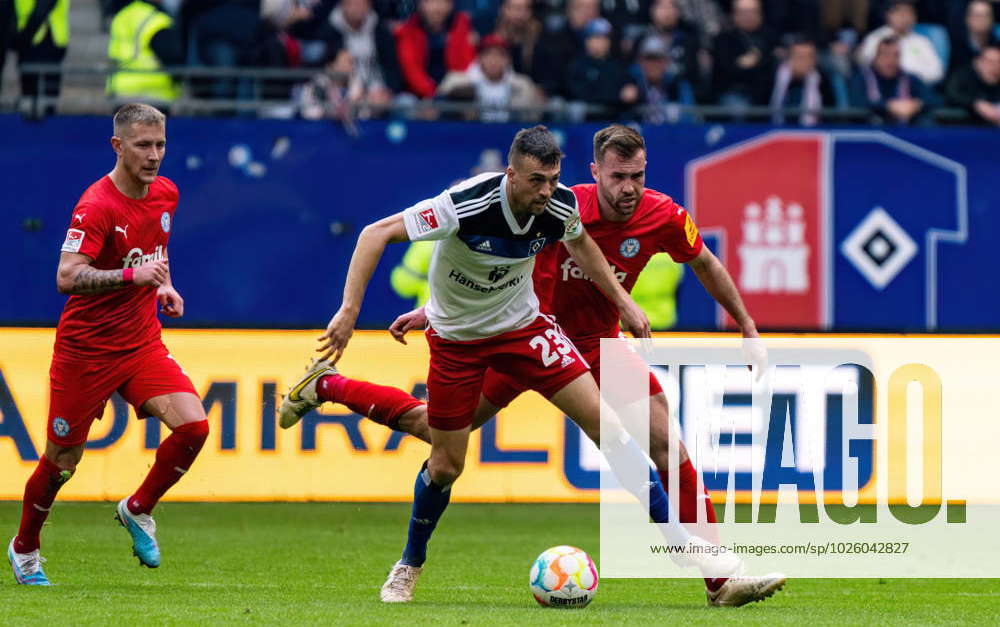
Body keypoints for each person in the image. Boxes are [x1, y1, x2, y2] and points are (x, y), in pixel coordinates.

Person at [279, 125, 785, 607]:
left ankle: (715, 571)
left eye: (638, 176)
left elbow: (600, 250)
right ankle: (332, 390)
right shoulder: (484, 203)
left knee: (638, 435)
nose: (628, 188)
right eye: (617, 177)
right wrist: (364, 311)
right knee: (442, 452)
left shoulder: (634, 213)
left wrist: (650, 310)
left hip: (550, 336)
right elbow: (386, 237)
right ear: (592, 172)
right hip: (472, 339)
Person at [6, 103, 210, 586]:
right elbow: (66, 276)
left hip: (140, 342)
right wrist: (131, 275)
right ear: (117, 146)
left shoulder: (166, 194)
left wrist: (162, 284)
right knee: (62, 463)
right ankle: (25, 548)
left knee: (195, 427)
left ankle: (137, 508)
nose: (155, 155)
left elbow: (155, 254)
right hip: (87, 351)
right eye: (143, 145)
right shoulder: (97, 205)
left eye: (161, 144)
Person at [437, 34, 542, 122]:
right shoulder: (455, 81)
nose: (494, 60)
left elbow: (533, 119)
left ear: (508, 59)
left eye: (500, 55)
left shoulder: (523, 85)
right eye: (488, 54)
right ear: (479, 57)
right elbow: (436, 110)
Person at [106, 0, 184, 105]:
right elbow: (171, 57)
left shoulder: (124, 13)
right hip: (151, 94)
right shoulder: (155, 19)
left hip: (120, 91)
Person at [395, 0, 476, 100]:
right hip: (418, 94)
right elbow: (411, 70)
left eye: (442, 2)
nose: (437, 8)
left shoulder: (461, 25)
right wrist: (432, 96)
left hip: (452, 90)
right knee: (404, 101)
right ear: (420, 5)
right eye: (431, 2)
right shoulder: (408, 30)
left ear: (450, 5)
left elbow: (465, 64)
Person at [855, 0, 944, 85]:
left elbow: (937, 72)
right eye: (900, 13)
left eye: (909, 13)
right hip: (884, 90)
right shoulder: (875, 39)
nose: (905, 18)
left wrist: (911, 79)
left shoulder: (921, 41)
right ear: (889, 15)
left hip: (917, 90)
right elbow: (866, 68)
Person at [712, 0, 777, 108]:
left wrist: (747, 62)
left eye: (753, 12)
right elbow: (725, 71)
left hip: (769, 92)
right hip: (736, 93)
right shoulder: (724, 40)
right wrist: (756, 62)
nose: (749, 16)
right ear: (734, 15)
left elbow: (771, 68)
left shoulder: (770, 38)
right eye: (744, 12)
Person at [850, 35, 929, 124]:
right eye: (886, 55)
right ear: (876, 57)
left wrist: (916, 105)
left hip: (905, 131)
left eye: (896, 55)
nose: (891, 60)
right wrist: (888, 106)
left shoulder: (909, 78)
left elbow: (934, 99)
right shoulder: (862, 77)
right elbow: (856, 103)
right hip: (871, 131)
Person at [13, 0, 69, 114]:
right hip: (30, 42)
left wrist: (20, 39)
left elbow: (43, 8)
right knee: (30, 98)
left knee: (45, 101)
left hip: (45, 40)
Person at [768, 36, 836, 126]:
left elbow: (831, 112)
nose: (805, 61)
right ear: (789, 58)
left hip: (811, 132)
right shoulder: (773, 77)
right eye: (800, 57)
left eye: (809, 57)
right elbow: (759, 110)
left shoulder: (822, 79)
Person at [946, 44, 1000, 126]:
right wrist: (976, 104)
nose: (995, 67)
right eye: (990, 62)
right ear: (978, 62)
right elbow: (951, 94)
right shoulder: (963, 77)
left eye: (998, 62)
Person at [949, 0, 999, 74]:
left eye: (986, 15)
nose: (982, 20)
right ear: (967, 19)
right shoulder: (956, 44)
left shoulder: (997, 44)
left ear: (992, 19)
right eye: (977, 16)